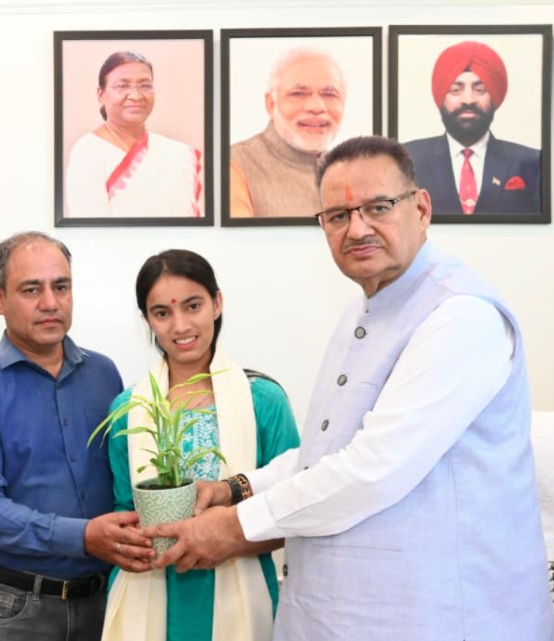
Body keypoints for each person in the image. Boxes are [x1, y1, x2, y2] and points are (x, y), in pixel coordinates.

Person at [148, 136, 554, 640]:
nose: (357, 228)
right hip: (345, 612)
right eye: (338, 215)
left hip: (441, 614)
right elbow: (327, 453)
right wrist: (234, 489)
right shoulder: (360, 314)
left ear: (421, 208)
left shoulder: (461, 315)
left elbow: (373, 469)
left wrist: (233, 526)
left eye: (378, 207)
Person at [0, 232, 154, 641]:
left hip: (102, 600)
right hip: (13, 608)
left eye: (61, 287)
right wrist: (83, 537)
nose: (50, 303)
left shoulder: (104, 374)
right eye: (31, 290)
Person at [101, 250, 300, 641]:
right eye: (162, 313)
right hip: (151, 594)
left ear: (217, 303)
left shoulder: (263, 400)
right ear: (147, 320)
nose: (180, 325)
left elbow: (295, 507)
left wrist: (223, 537)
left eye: (193, 306)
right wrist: (137, 542)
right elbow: (125, 509)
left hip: (242, 592)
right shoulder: (129, 410)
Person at [404, 40, 541, 215]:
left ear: (494, 96)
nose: (468, 100)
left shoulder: (531, 161)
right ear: (441, 97)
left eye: (480, 89)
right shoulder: (407, 159)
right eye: (455, 90)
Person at [65, 51, 203, 218]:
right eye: (122, 86)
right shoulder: (88, 151)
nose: (136, 96)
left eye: (145, 86)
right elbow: (91, 227)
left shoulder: (178, 154)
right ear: (101, 95)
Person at [229, 48, 346, 218]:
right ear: (271, 104)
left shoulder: (350, 171)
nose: (316, 107)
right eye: (298, 94)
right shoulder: (234, 163)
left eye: (330, 94)